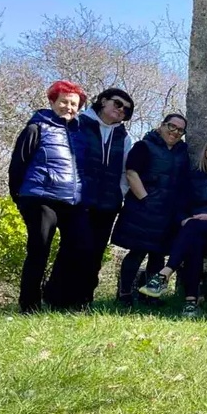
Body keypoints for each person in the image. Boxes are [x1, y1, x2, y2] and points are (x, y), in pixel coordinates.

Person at [8, 80, 89, 313]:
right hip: (40, 198)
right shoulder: (36, 128)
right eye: (64, 102)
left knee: (79, 247)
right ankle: (29, 305)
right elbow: (18, 164)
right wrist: (20, 197)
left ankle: (60, 299)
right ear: (53, 101)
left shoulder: (79, 134)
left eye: (74, 104)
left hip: (72, 201)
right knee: (39, 250)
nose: (69, 107)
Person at [138, 137, 207, 316]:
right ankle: (191, 303)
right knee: (194, 240)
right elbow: (179, 205)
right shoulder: (193, 177)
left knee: (193, 229)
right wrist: (183, 219)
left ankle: (164, 275)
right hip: (194, 232)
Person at [111, 114, 191, 306]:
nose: (175, 132)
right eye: (172, 127)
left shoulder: (182, 152)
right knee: (137, 251)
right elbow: (131, 172)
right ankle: (124, 294)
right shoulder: (144, 146)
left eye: (180, 130)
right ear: (162, 126)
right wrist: (145, 199)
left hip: (168, 211)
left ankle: (150, 295)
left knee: (158, 254)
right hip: (143, 209)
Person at [76, 87, 135, 308]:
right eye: (118, 104)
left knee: (96, 251)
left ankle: (84, 299)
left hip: (108, 203)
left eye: (126, 110)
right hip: (79, 200)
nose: (121, 111)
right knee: (74, 247)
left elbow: (124, 170)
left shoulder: (123, 136)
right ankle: (59, 296)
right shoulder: (80, 124)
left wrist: (120, 192)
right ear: (102, 101)